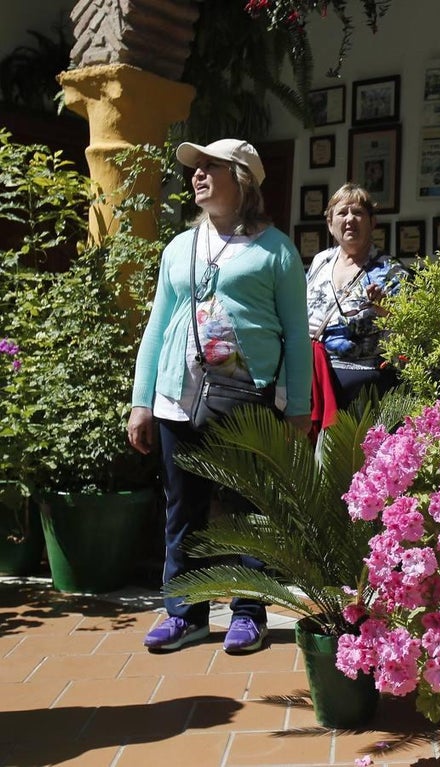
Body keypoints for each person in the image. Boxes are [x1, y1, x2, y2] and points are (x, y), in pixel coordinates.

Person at [127, 138, 311, 653]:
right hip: (177, 399)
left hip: (246, 399)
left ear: (242, 179)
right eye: (196, 167)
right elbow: (157, 325)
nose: (198, 174)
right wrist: (142, 401)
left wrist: (298, 409)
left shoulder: (276, 250)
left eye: (212, 167)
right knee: (182, 510)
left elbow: (297, 336)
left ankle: (249, 614)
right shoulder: (179, 248)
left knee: (249, 509)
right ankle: (184, 614)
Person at [305, 183, 408, 411]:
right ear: (330, 224)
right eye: (342, 213)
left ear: (372, 222)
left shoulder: (391, 270)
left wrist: (387, 311)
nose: (350, 219)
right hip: (315, 379)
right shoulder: (320, 261)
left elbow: (410, 330)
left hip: (365, 390)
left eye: (358, 213)